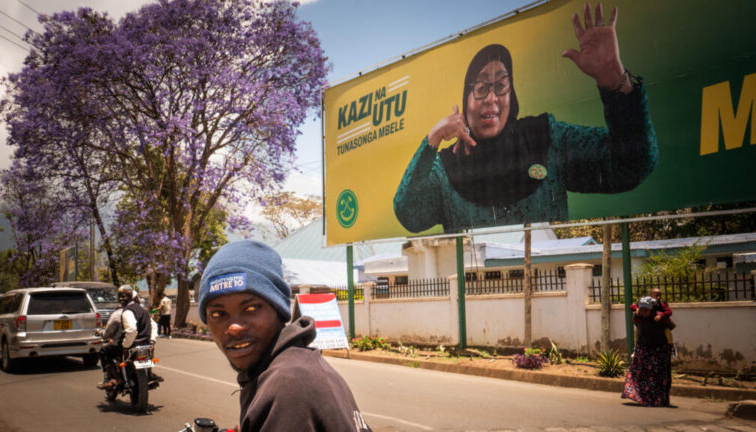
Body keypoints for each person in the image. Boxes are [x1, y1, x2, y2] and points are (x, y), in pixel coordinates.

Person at [393, 3, 658, 233]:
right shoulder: (447, 166)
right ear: (466, 100)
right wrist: (434, 138)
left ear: (512, 95)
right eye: (481, 87)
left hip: (550, 277)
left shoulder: (546, 138)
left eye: (501, 85)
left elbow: (633, 164)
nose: (491, 98)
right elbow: (409, 215)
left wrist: (616, 82)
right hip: (474, 279)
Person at [198, 240, 372, 431]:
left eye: (251, 308)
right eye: (218, 314)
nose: (234, 328)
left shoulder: (288, 385)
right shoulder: (297, 364)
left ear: (278, 309)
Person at [98, 285, 157, 389]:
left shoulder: (125, 312)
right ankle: (149, 374)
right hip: (144, 344)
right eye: (120, 296)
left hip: (130, 344)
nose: (121, 298)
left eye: (124, 296)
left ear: (131, 297)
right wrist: (152, 341)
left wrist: (125, 346)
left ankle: (116, 378)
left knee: (104, 351)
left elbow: (131, 330)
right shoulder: (143, 311)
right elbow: (153, 325)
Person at [622, 296, 673, 406]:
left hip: (659, 349)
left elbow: (669, 329)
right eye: (642, 310)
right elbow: (638, 330)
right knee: (640, 374)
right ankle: (642, 397)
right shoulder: (638, 317)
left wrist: (669, 348)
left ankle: (659, 400)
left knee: (658, 376)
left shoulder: (659, 318)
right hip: (643, 348)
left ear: (652, 310)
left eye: (646, 310)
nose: (644, 313)